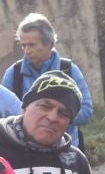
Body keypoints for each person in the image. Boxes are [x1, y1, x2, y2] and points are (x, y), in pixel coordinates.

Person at [4, 15, 94, 147]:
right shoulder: (14, 73)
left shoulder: (69, 70)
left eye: (32, 45)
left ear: (49, 44)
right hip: (23, 150)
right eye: (23, 46)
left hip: (64, 150)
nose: (27, 51)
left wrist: (58, 117)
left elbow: (86, 112)